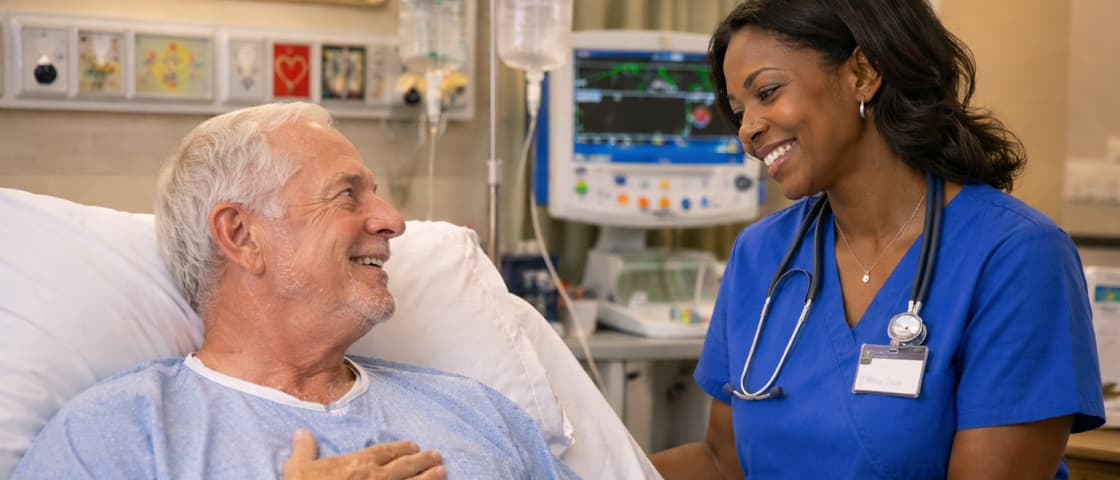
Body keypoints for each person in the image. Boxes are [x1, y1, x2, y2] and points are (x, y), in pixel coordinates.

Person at [650, 0, 1105, 478]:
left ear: (863, 73)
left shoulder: (1017, 256)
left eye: (768, 91)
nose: (747, 130)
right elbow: (723, 462)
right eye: (738, 111)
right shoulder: (761, 255)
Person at [12, 102, 578, 479]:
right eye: (346, 196)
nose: (392, 220)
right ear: (241, 234)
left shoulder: (474, 410)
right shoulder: (118, 435)